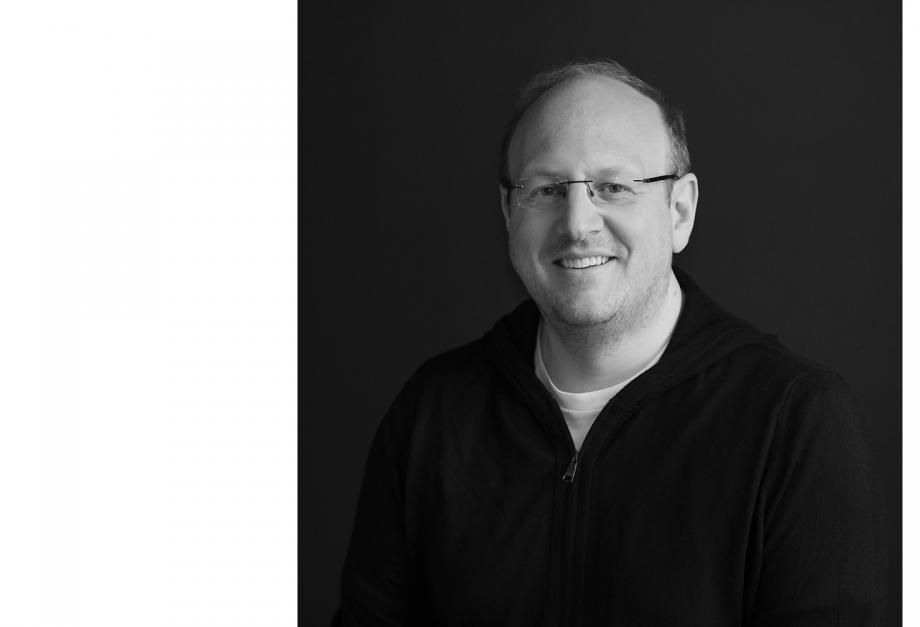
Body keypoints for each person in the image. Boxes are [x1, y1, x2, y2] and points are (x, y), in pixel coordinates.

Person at [334, 59, 886, 626]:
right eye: (547, 189)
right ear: (508, 213)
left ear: (679, 211)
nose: (577, 224)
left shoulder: (792, 419)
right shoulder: (433, 412)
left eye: (614, 187)